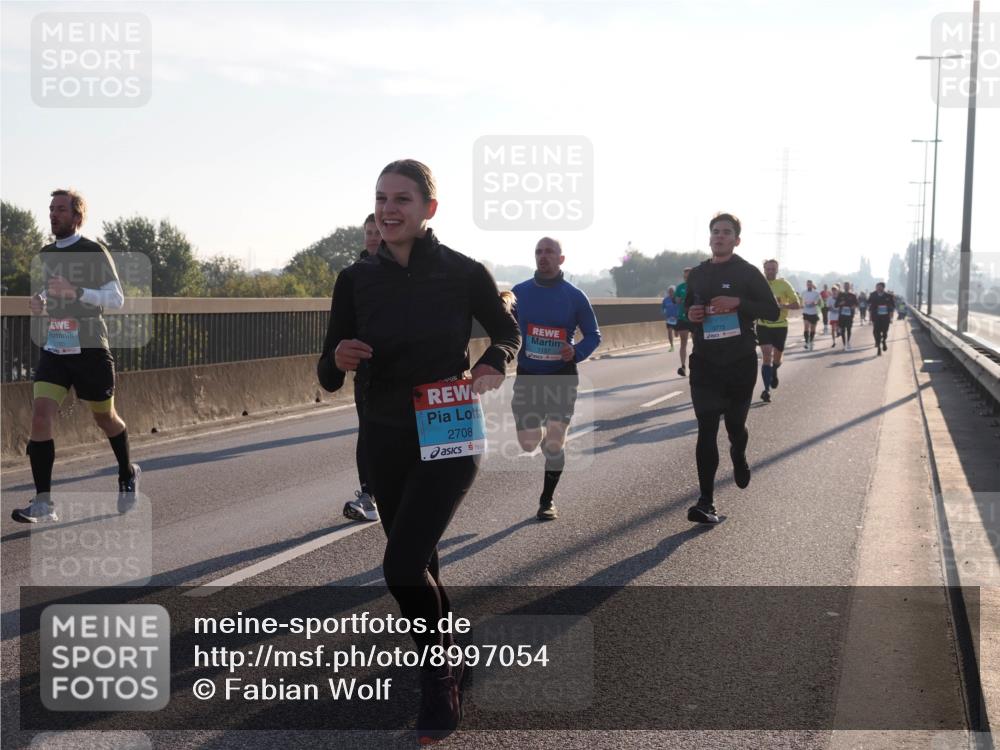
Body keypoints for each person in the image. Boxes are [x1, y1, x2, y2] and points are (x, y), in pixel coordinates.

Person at [317, 160, 520, 741]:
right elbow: (328, 372)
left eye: (402, 199)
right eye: (381, 198)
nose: (388, 209)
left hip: (447, 425)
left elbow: (507, 332)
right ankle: (454, 649)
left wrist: (493, 361)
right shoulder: (354, 279)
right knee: (421, 562)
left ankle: (439, 681)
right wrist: (338, 358)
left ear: (429, 208)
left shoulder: (463, 272)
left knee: (401, 566)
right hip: (383, 434)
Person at [13, 189, 140, 523]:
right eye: (51, 209)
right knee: (40, 416)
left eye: (61, 209)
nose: (53, 215)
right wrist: (40, 300)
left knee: (105, 418)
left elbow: (116, 299)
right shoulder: (45, 254)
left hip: (90, 348)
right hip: (56, 345)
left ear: (77, 216)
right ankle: (43, 502)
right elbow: (50, 289)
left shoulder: (93, 251)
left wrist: (77, 292)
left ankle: (126, 472)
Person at [683, 213, 779, 524]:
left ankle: (738, 453)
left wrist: (738, 302)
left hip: (739, 362)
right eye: (715, 231)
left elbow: (772, 310)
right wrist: (692, 315)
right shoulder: (697, 274)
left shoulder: (748, 273)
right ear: (709, 237)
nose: (719, 236)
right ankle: (706, 501)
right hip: (705, 362)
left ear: (736, 240)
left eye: (726, 232)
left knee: (735, 427)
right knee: (706, 428)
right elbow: (685, 313)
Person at [510, 237, 601, 521]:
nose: (543, 256)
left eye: (549, 252)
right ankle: (547, 441)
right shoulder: (519, 292)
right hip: (528, 376)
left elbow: (594, 335)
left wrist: (576, 352)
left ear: (561, 259)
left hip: (562, 376)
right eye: (539, 251)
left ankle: (547, 500)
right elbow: (504, 328)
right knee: (528, 443)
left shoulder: (574, 296)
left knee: (554, 443)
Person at [342, 213, 382, 523]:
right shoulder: (353, 276)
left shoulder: (413, 273)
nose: (372, 237)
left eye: (377, 231)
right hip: (368, 372)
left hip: (408, 372)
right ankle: (368, 496)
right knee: (368, 432)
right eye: (368, 232)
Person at [755, 259, 800, 403]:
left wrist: (783, 306)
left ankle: (774, 370)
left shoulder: (784, 284)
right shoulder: (758, 283)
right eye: (768, 269)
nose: (770, 271)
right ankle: (766, 390)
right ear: (764, 269)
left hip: (780, 325)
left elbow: (797, 304)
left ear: (777, 270)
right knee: (766, 355)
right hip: (763, 324)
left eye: (773, 269)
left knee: (777, 358)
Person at [674, 268, 693, 376]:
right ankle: (683, 366)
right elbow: (676, 300)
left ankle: (695, 365)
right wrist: (679, 299)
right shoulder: (680, 287)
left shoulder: (697, 286)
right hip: (682, 317)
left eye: (688, 276)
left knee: (696, 342)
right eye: (684, 277)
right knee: (683, 342)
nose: (686, 278)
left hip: (694, 317)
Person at [868, 282, 895, 355]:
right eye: (877, 287)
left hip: (885, 317)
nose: (878, 288)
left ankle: (884, 341)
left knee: (885, 332)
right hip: (876, 317)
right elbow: (869, 303)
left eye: (880, 287)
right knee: (876, 332)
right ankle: (879, 347)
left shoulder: (889, 296)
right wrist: (870, 316)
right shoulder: (873, 295)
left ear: (883, 287)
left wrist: (891, 317)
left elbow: (892, 307)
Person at [834, 281, 859, 351]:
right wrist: (840, 303)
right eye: (845, 286)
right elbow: (835, 305)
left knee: (849, 329)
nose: (846, 287)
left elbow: (857, 304)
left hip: (849, 315)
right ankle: (844, 344)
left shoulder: (853, 295)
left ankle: (848, 342)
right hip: (842, 315)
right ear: (843, 287)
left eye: (848, 286)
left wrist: (854, 306)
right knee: (842, 330)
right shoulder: (840, 295)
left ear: (850, 287)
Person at [800, 280, 822, 351]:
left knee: (813, 329)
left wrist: (815, 303)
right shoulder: (803, 292)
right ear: (806, 285)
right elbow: (801, 301)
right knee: (806, 327)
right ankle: (807, 343)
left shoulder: (816, 293)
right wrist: (802, 305)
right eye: (808, 284)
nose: (809, 286)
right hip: (806, 312)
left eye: (810, 284)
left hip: (813, 313)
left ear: (812, 285)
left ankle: (811, 341)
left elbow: (819, 302)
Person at [661, 286, 679, 352]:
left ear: (674, 292)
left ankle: (677, 331)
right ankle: (672, 346)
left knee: (676, 335)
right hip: (669, 319)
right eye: (669, 291)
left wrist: (678, 315)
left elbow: (681, 307)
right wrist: (664, 314)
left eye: (672, 291)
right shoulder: (665, 300)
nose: (671, 293)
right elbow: (663, 308)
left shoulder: (677, 299)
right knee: (669, 331)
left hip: (677, 318)